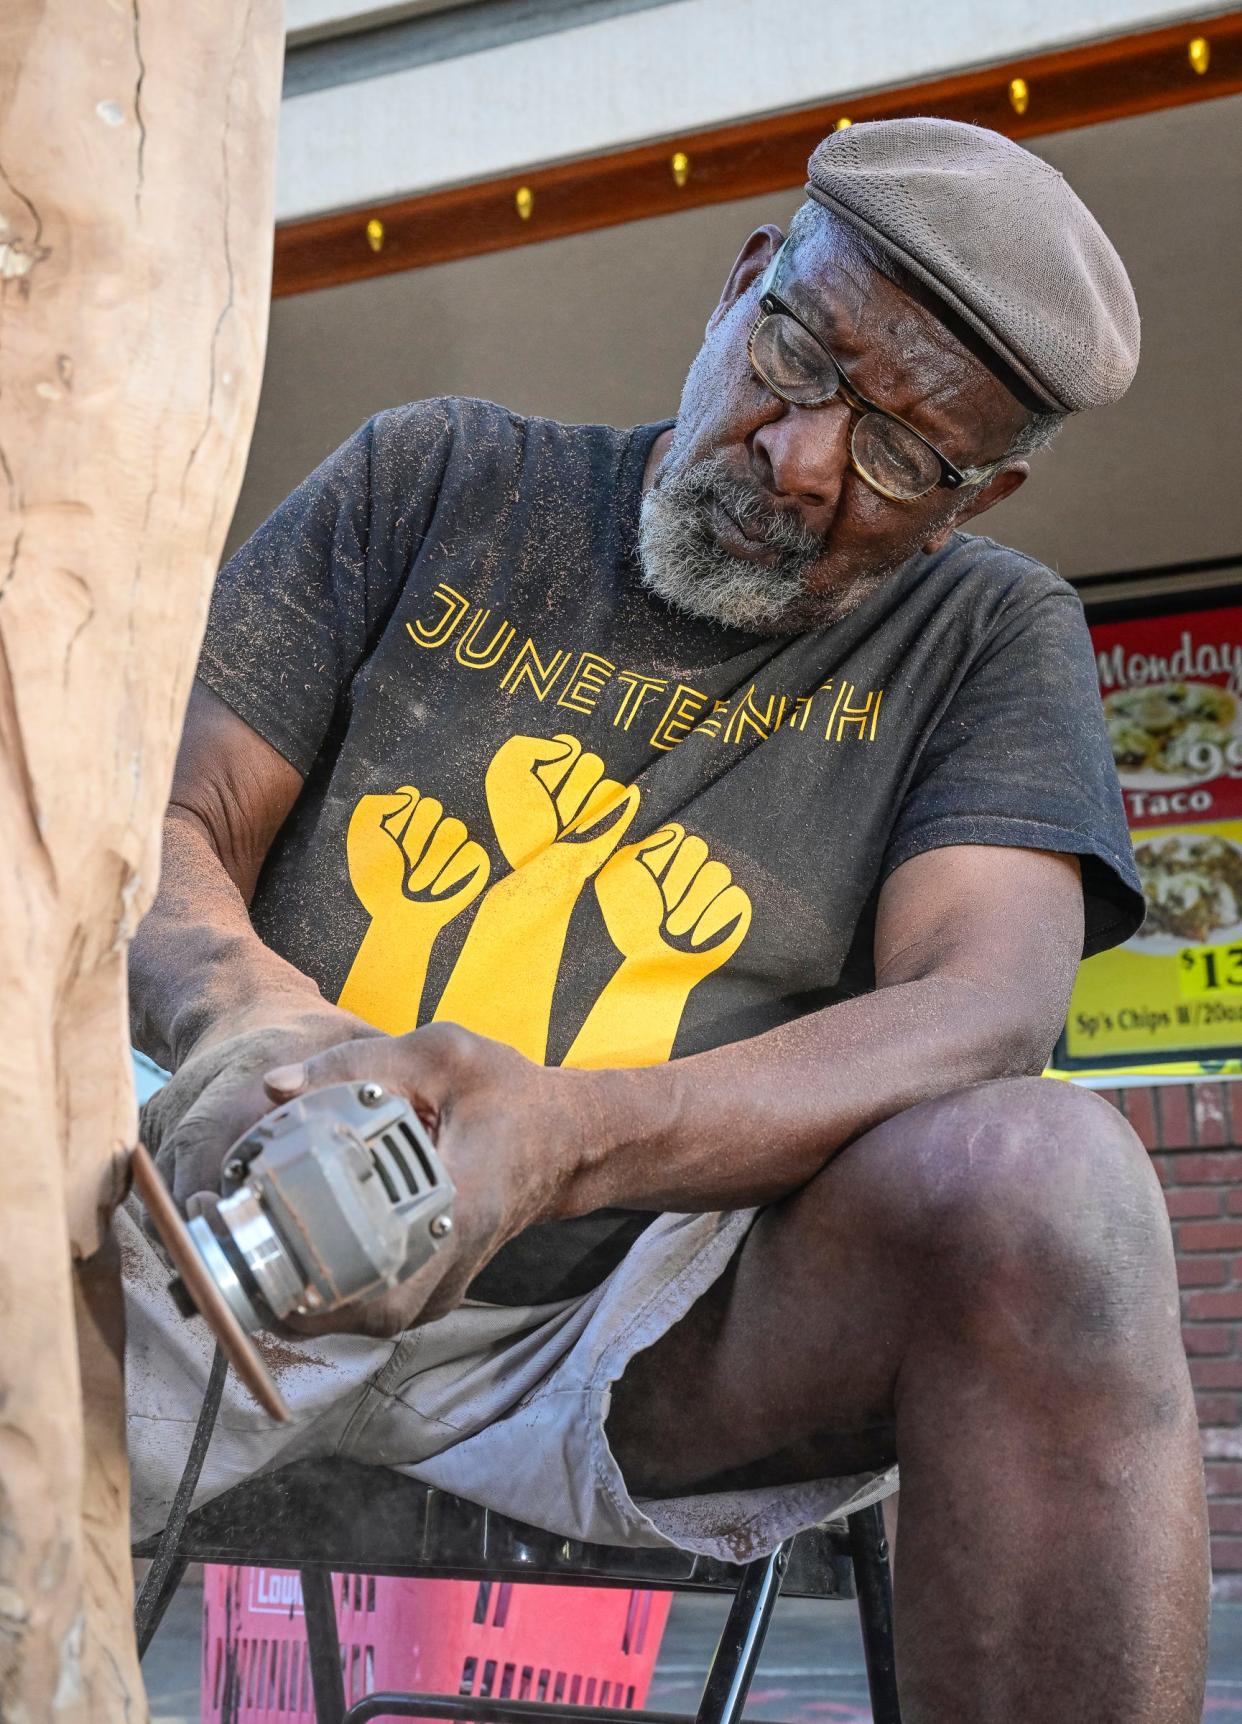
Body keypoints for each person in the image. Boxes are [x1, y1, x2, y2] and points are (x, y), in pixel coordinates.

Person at [124, 118, 1208, 1720]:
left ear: (982, 494)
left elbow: (979, 1010)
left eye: (905, 456)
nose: (805, 459)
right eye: (799, 359)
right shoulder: (436, 477)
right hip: (246, 1219)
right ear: (744, 279)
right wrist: (268, 1045)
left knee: (1049, 1184)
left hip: (629, 1337)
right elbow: (161, 830)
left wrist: (565, 1138)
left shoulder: (989, 635)